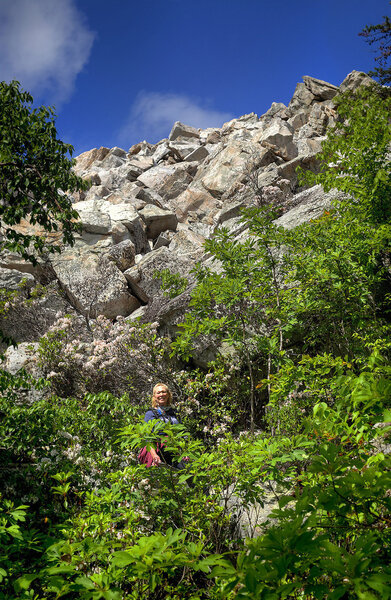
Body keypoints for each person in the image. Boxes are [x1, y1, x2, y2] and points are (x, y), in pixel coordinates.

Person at [139, 383, 186, 468]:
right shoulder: (150, 414)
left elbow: (183, 433)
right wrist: (154, 455)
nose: (161, 395)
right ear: (154, 396)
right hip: (160, 451)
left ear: (168, 394)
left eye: (163, 392)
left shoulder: (174, 413)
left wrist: (186, 451)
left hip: (176, 449)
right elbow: (147, 437)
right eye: (158, 393)